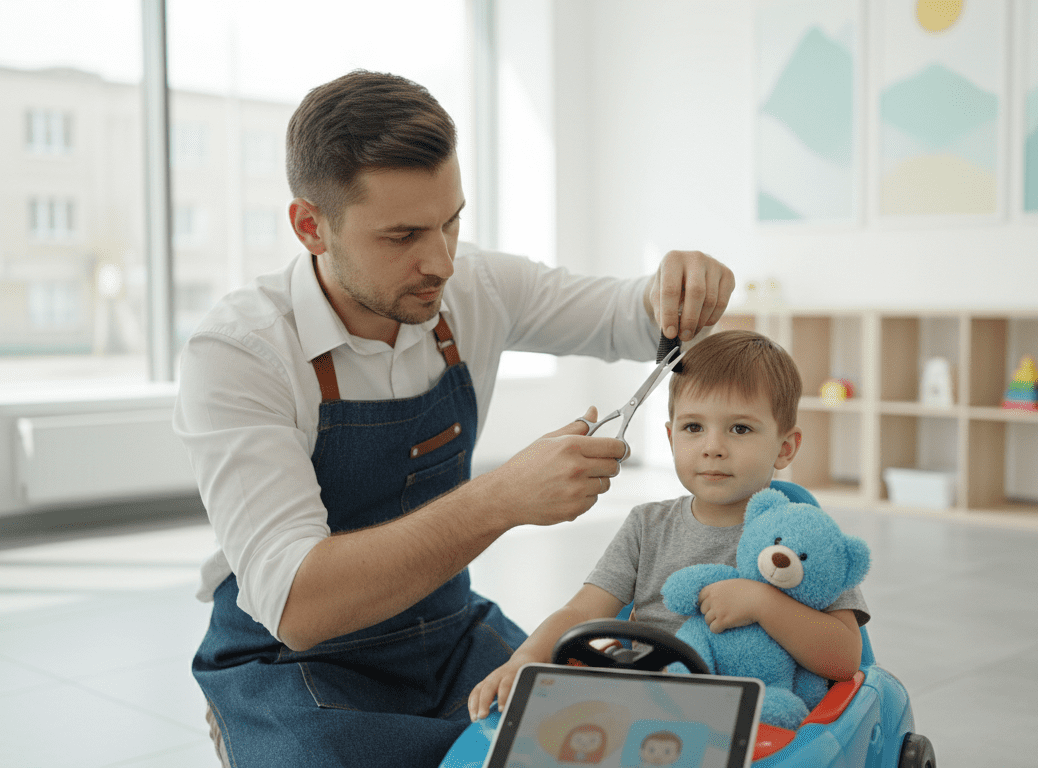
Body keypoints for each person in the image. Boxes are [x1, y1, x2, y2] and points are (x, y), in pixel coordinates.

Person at [173, 70, 734, 767]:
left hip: (446, 634)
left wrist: (679, 285)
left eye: (452, 220)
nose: (441, 261)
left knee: (609, 746)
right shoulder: (239, 354)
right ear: (311, 226)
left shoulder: (475, 286)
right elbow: (300, 606)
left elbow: (638, 316)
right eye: (403, 234)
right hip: (292, 663)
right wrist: (500, 500)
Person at [467, 330, 869, 721]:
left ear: (785, 448)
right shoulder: (647, 525)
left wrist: (763, 604)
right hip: (646, 707)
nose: (712, 447)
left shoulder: (802, 535)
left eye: (740, 428)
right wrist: (523, 660)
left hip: (759, 713)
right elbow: (582, 610)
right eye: (693, 427)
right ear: (671, 436)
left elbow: (845, 659)